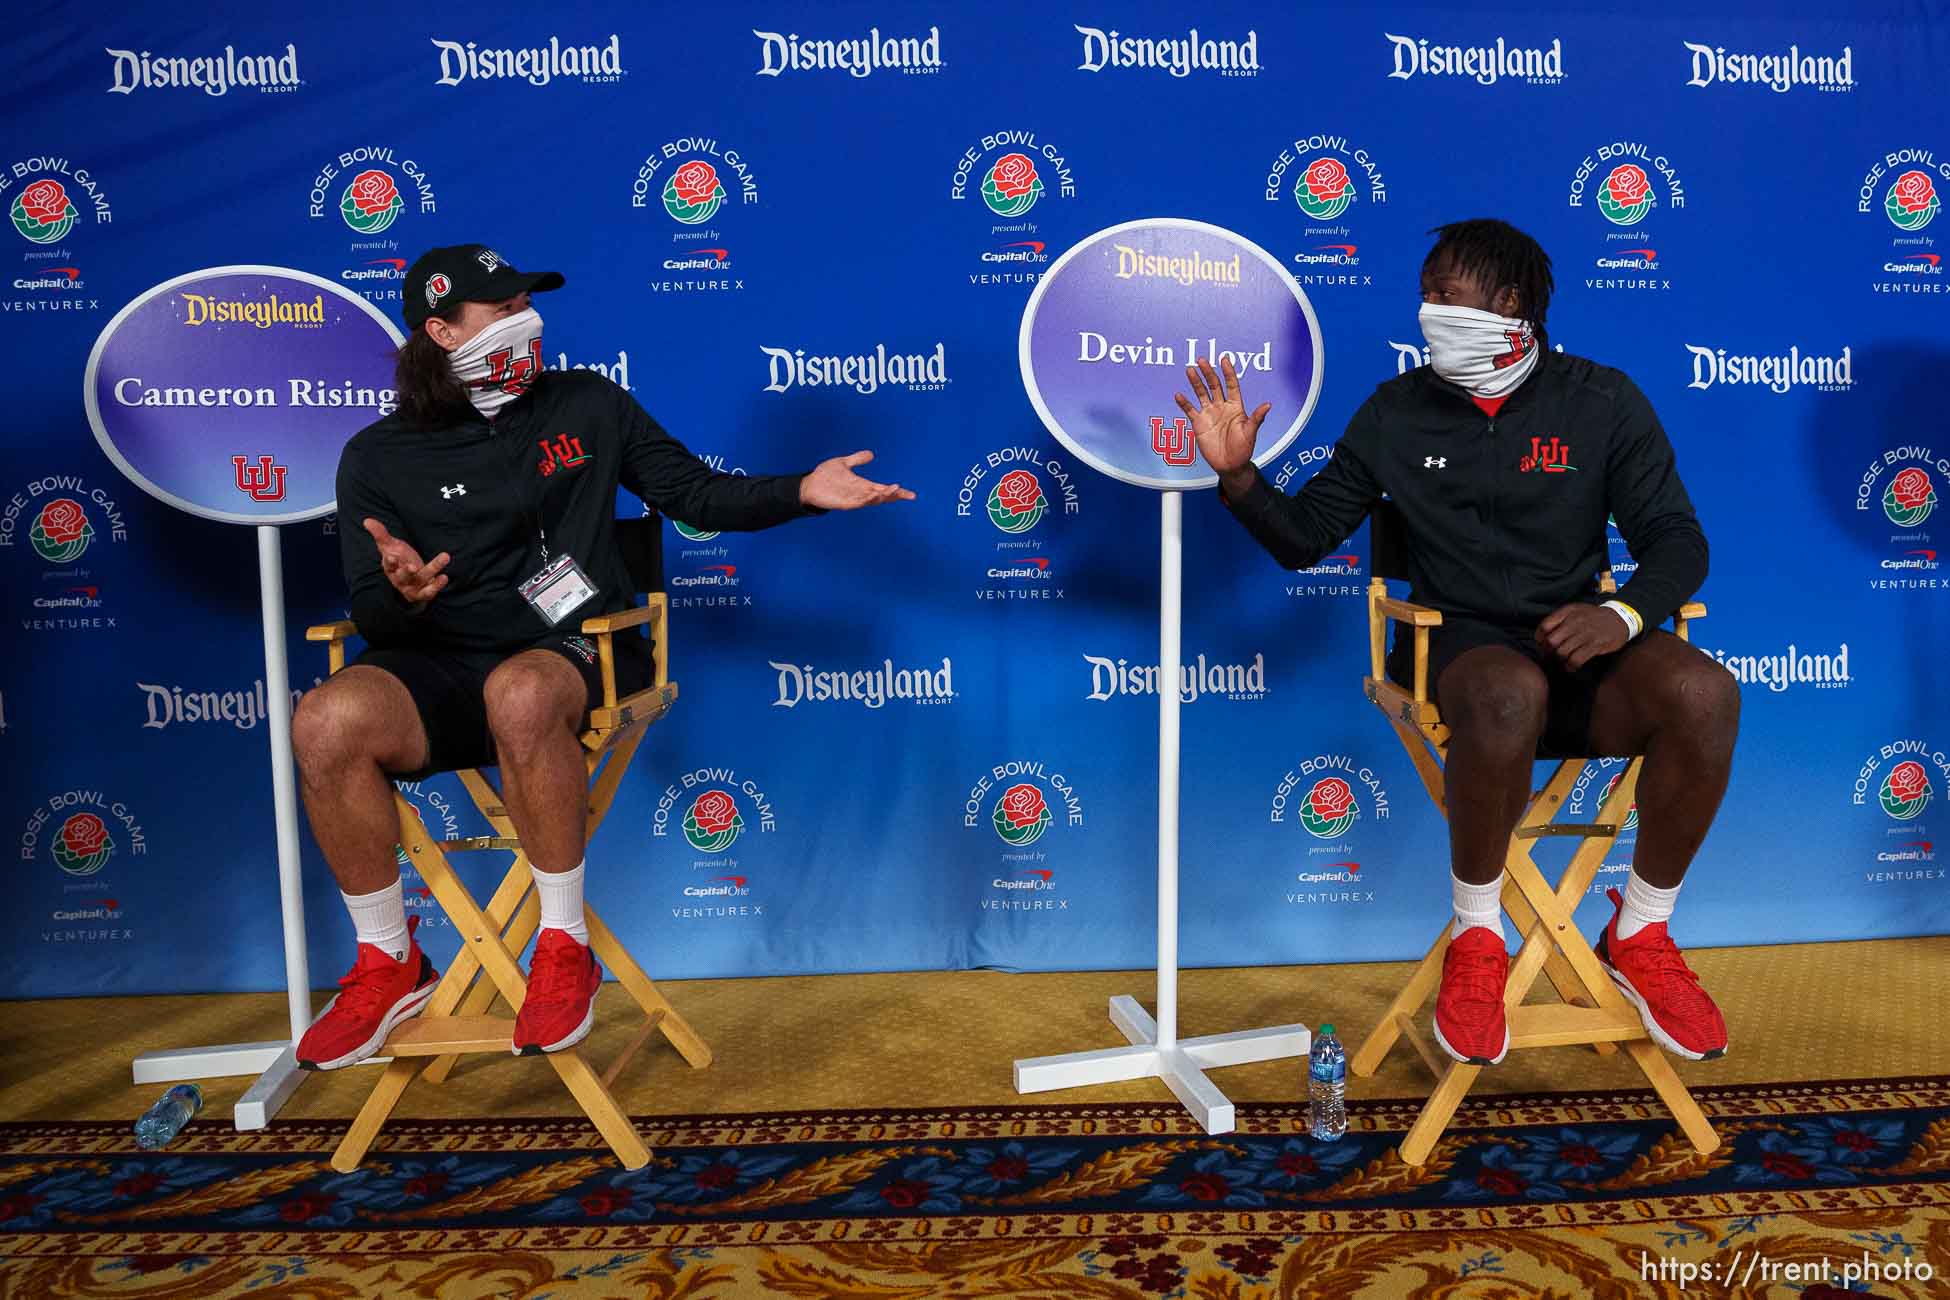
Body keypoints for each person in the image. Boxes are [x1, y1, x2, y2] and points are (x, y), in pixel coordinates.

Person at [291, 244, 913, 1069]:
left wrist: (798, 489)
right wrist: (401, 594)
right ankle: (386, 958)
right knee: (325, 718)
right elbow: (371, 606)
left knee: (519, 691)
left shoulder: (587, 404)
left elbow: (692, 492)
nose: (526, 321)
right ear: (441, 331)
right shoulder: (378, 454)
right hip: (436, 662)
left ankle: (562, 946)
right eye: (502, 311)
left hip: (573, 649)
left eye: (525, 304)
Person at [1183, 218, 1738, 1066]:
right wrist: (1239, 476)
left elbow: (1678, 540)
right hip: (1464, 654)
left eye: (1445, 292)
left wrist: (1622, 614)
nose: (1427, 307)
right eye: (1426, 292)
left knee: (1705, 691)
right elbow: (1305, 537)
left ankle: (1642, 933)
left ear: (1508, 304)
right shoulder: (1397, 410)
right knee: (1506, 691)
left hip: (1586, 646)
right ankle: (1478, 939)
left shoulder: (1602, 400)